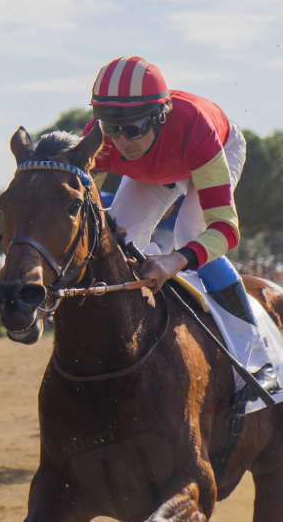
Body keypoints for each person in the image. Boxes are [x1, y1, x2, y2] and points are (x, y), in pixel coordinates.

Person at [84, 55, 281, 397]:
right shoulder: (102, 140)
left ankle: (256, 358)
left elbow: (225, 230)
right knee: (117, 230)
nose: (121, 142)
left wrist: (175, 260)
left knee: (190, 232)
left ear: (159, 118)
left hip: (214, 149)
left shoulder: (197, 128)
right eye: (110, 127)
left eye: (132, 128)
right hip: (158, 165)